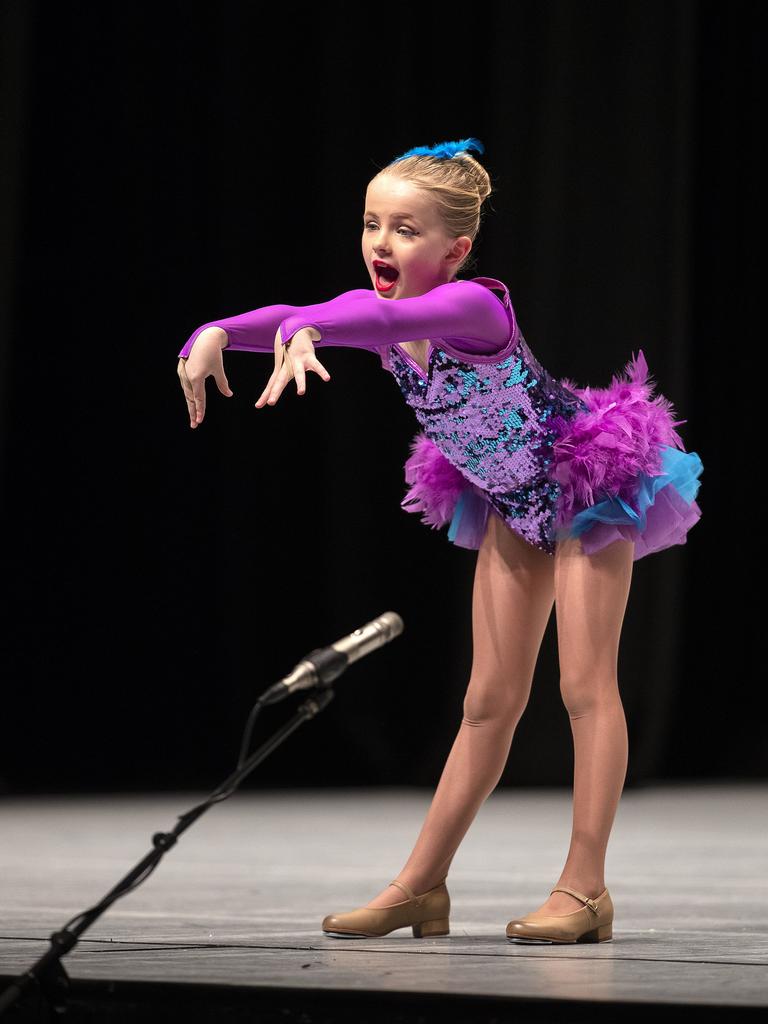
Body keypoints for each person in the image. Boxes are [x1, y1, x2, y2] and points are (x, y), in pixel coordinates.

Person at [176, 138, 703, 944]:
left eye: (405, 229)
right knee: (486, 703)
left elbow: (362, 316)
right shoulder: (385, 319)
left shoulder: (473, 306)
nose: (381, 244)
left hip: (585, 486)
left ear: (453, 251)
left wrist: (313, 323)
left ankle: (586, 890)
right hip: (505, 502)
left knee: (583, 688)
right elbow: (311, 318)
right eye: (371, 224)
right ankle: (421, 887)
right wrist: (213, 332)